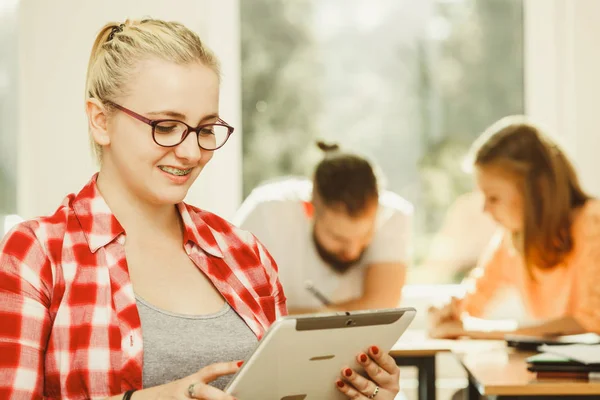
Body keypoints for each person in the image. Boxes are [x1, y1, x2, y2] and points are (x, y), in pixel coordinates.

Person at [0, 19, 401, 400]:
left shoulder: (247, 255)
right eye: (166, 126)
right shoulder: (37, 256)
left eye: (205, 129)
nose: (192, 152)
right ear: (101, 120)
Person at [428, 116, 600, 340]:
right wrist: (446, 310)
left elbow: (591, 323)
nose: (485, 209)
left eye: (494, 198)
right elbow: (472, 301)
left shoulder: (592, 223)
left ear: (536, 191)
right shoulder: (511, 239)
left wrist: (471, 330)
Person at [235, 142, 413, 314]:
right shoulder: (266, 214)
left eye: (366, 235)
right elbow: (240, 311)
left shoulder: (391, 215)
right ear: (309, 209)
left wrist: (298, 318)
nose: (353, 251)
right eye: (338, 238)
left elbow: (381, 307)